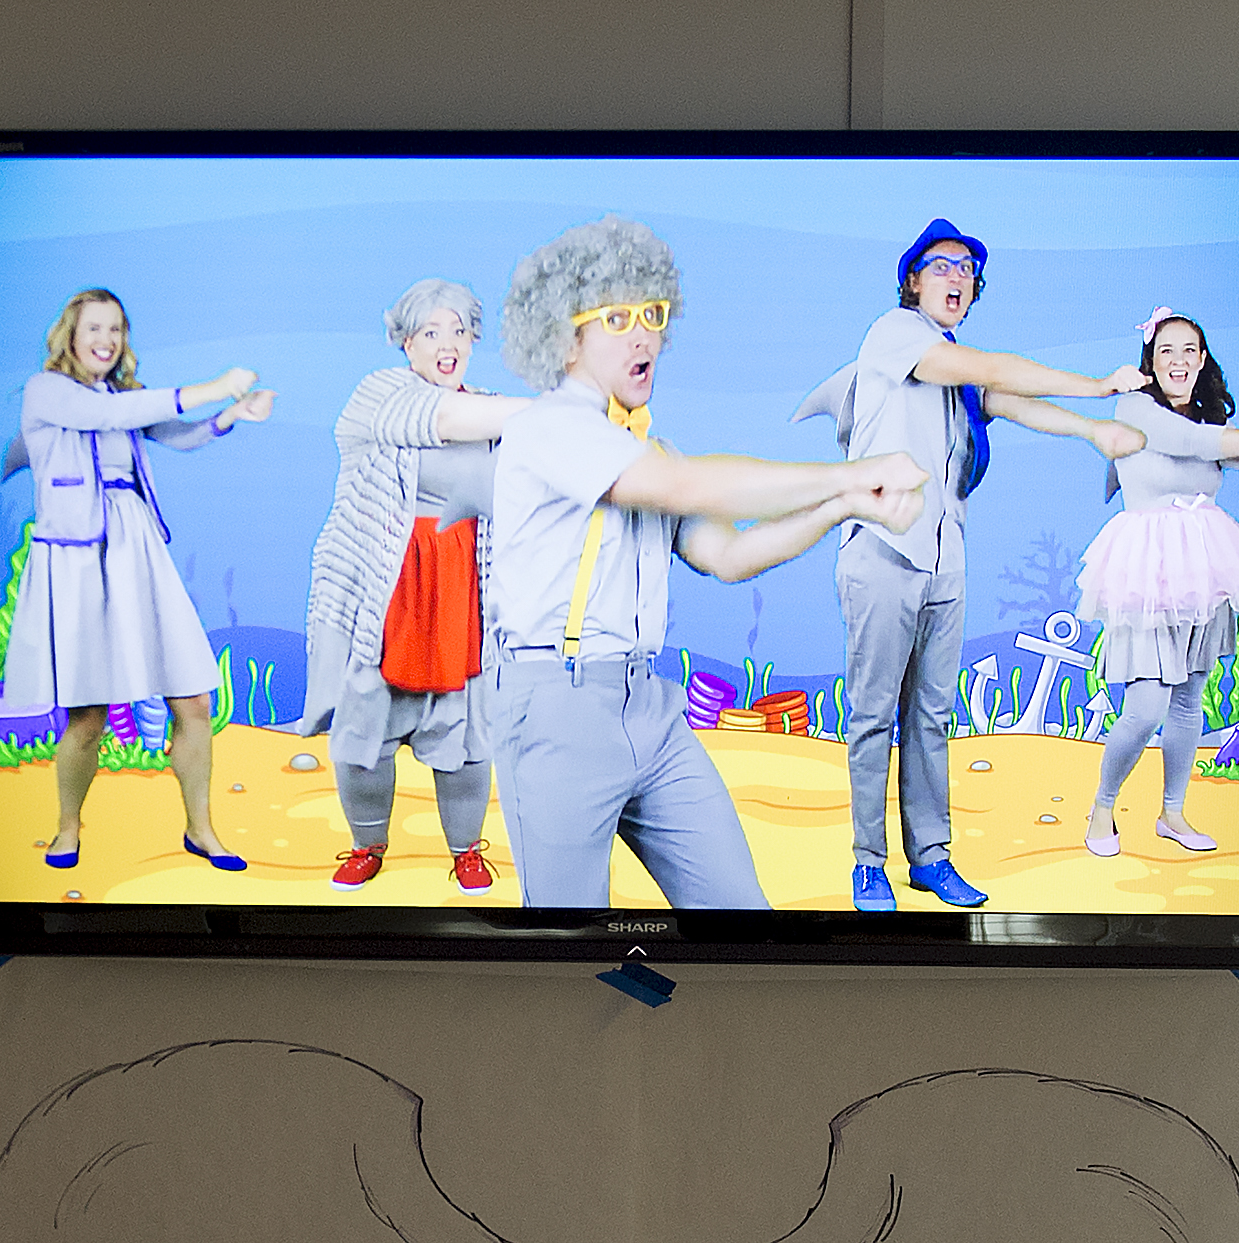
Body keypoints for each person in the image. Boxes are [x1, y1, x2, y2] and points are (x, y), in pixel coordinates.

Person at [487, 216, 930, 911]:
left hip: (650, 708)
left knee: (742, 921)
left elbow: (728, 554)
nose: (645, 336)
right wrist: (850, 474)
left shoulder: (648, 451)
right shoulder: (547, 429)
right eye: (618, 318)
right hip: (558, 706)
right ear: (564, 337)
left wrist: (847, 506)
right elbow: (690, 488)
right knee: (567, 954)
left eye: (654, 315)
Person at [799, 220, 1147, 913]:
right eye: (942, 265)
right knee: (873, 716)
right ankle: (869, 861)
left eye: (967, 269)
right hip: (882, 551)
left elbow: (1010, 400)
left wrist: (1092, 429)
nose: (957, 277)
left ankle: (930, 856)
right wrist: (1097, 384)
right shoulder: (896, 336)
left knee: (931, 714)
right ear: (913, 281)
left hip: (944, 558)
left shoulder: (951, 371)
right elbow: (992, 370)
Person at [0, 287, 274, 874]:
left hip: (137, 548)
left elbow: (175, 434)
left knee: (194, 700)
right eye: (95, 328)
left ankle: (201, 829)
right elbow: (112, 416)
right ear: (69, 335)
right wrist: (217, 385)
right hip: (78, 558)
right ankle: (67, 827)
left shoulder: (122, 397)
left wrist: (229, 414)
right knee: (88, 713)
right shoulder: (46, 391)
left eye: (116, 329)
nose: (106, 340)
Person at [298, 279, 530, 892]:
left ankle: (465, 850)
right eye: (432, 332)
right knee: (365, 728)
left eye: (459, 331)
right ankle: (366, 845)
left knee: (464, 730)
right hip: (388, 591)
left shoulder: (492, 410)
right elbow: (443, 418)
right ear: (406, 343)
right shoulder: (379, 394)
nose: (448, 344)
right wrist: (567, 409)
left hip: (459, 589)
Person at [1077, 310, 1239, 861]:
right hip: (1147, 568)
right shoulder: (1136, 408)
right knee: (1146, 704)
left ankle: (1172, 813)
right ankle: (1103, 806)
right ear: (1150, 362)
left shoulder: (1206, 416)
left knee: (1189, 699)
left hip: (1204, 565)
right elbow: (1196, 444)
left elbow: (1235, 456)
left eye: (1189, 350)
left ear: (1202, 360)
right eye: (1166, 351)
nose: (1178, 361)